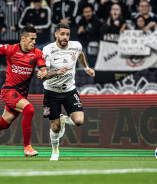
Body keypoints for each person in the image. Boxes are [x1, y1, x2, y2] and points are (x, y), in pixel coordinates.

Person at [0, 26, 67, 157]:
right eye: (31, 39)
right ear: (23, 38)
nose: (34, 42)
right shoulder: (11, 50)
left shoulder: (37, 53)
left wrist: (43, 73)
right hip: (9, 91)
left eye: (35, 39)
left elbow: (44, 69)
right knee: (29, 109)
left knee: (4, 123)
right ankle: (27, 147)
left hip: (20, 95)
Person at [37, 23, 95, 161]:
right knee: (55, 128)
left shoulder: (76, 46)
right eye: (62, 34)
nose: (65, 37)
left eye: (67, 34)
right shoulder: (48, 50)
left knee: (79, 121)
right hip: (51, 92)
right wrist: (56, 72)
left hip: (69, 90)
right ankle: (55, 151)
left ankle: (64, 119)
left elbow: (80, 54)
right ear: (56, 34)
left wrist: (86, 68)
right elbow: (44, 74)